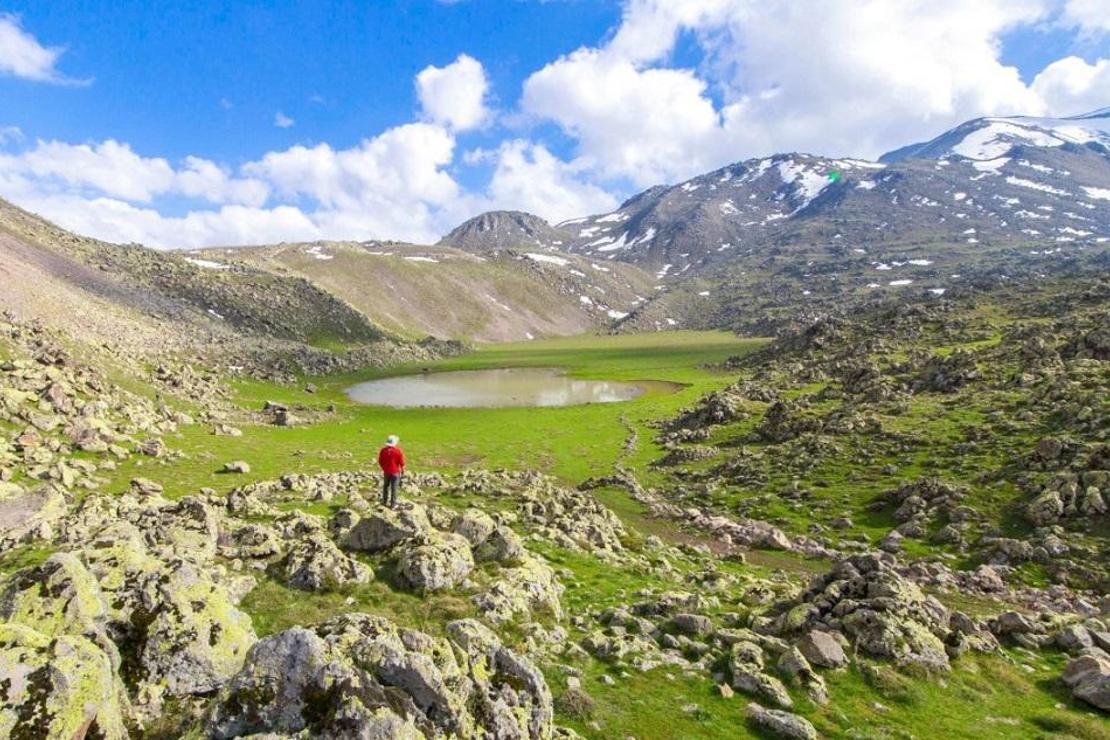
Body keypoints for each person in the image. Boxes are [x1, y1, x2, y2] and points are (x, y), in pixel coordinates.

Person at [378, 434, 405, 508]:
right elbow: (401, 462)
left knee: (385, 486)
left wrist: (384, 468)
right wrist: (402, 470)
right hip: (395, 472)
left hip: (386, 472)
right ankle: (393, 504)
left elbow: (380, 461)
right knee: (394, 488)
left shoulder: (383, 451)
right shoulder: (398, 451)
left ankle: (384, 501)